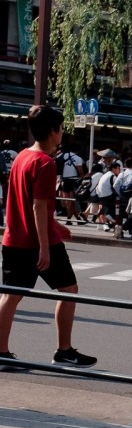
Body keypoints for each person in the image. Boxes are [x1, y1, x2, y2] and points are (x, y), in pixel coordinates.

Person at [0, 105, 97, 368]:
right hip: (38, 242)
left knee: (10, 295)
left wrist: (55, 225)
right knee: (69, 290)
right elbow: (38, 205)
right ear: (54, 131)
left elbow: (30, 202)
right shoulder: (45, 163)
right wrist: (45, 245)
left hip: (14, 238)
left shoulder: (22, 156)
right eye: (62, 128)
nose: (62, 132)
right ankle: (64, 349)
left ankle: (2, 352)